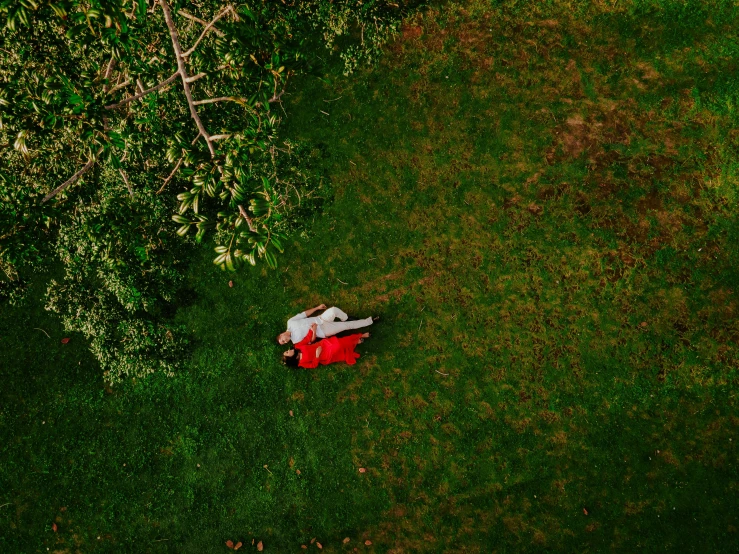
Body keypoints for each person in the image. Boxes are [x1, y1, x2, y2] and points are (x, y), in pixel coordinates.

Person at [277, 303, 376, 345]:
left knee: (333, 309)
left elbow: (304, 314)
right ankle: (370, 321)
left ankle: (345, 318)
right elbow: (311, 341)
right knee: (347, 326)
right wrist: (314, 331)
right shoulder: (295, 341)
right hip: (323, 330)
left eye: (283, 340)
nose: (286, 341)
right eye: (284, 343)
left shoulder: (290, 322)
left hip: (321, 318)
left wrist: (317, 308)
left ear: (282, 335)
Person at [283, 323, 370, 368]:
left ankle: (359, 336)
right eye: (287, 352)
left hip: (322, 345)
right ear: (290, 358)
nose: (289, 350)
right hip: (324, 355)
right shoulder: (301, 363)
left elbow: (307, 339)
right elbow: (313, 365)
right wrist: (317, 355)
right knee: (339, 346)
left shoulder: (297, 347)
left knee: (341, 341)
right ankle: (355, 341)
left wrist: (312, 330)